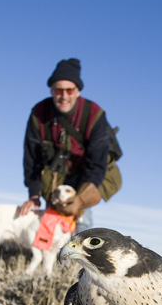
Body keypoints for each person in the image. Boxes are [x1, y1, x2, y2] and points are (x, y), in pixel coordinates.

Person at [19, 58, 112, 231]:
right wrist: (34, 195)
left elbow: (97, 165)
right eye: (58, 90)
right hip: (56, 177)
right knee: (50, 224)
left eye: (69, 90)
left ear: (77, 91)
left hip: (86, 177)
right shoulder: (39, 113)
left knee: (81, 225)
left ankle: (80, 256)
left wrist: (79, 201)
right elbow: (31, 159)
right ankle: (51, 257)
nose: (64, 96)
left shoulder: (94, 115)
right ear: (51, 91)